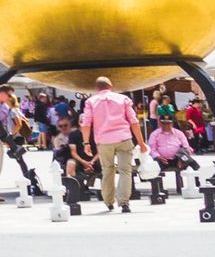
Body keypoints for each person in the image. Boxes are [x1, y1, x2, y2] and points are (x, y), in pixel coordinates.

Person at [81, 75, 145, 214]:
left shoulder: (91, 101)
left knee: (107, 170)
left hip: (103, 141)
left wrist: (86, 142)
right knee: (125, 170)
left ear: (96, 89)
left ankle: (109, 201)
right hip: (123, 138)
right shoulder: (123, 99)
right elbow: (134, 122)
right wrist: (141, 142)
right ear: (110, 86)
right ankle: (124, 203)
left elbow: (86, 124)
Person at [146, 116, 195, 192]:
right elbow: (151, 149)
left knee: (193, 164)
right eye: (164, 123)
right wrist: (158, 156)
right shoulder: (155, 134)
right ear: (160, 124)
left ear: (172, 124)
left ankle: (199, 185)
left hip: (178, 158)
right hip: (162, 159)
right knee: (154, 167)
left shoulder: (179, 133)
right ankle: (159, 190)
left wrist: (181, 158)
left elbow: (186, 147)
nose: (166, 125)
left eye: (168, 123)